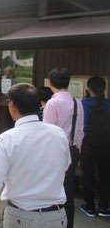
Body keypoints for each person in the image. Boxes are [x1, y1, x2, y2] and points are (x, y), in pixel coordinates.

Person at [0, 83, 70, 228]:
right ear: (39, 105)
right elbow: (65, 166)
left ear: (12, 106)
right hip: (57, 216)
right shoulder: (58, 134)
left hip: (20, 217)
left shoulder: (7, 139)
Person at [43, 67, 84, 228]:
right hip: (72, 151)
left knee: (53, 190)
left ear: (50, 82)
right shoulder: (77, 102)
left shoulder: (53, 103)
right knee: (68, 191)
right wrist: (77, 152)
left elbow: (47, 132)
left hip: (56, 151)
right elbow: (80, 131)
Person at [80, 76, 110, 217]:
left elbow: (82, 126)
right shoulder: (108, 104)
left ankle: (89, 206)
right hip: (106, 144)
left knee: (88, 175)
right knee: (105, 175)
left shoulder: (83, 104)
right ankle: (104, 207)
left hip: (88, 144)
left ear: (89, 88)